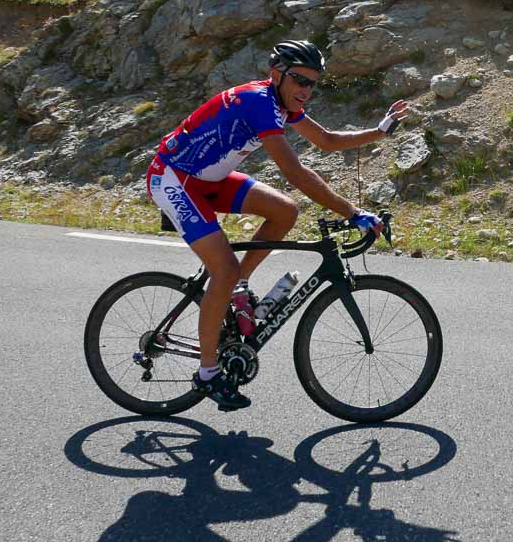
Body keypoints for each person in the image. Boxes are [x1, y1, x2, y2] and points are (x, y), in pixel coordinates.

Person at [146, 40, 408, 411]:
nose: (305, 89)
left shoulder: (283, 103)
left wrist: (381, 131)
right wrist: (351, 212)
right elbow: (295, 172)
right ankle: (208, 374)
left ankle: (237, 283)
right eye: (299, 79)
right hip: (173, 178)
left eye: (312, 83)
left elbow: (327, 141)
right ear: (276, 75)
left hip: (209, 178)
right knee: (223, 269)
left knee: (285, 212)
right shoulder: (258, 102)